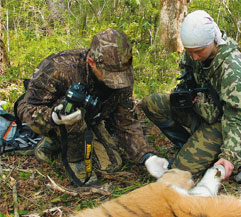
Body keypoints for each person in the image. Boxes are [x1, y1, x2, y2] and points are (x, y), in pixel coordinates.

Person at [16, 28, 168, 185]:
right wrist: (54, 118)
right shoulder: (59, 67)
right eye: (110, 76)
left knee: (111, 165)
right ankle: (67, 151)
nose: (117, 82)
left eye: (121, 76)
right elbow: (25, 107)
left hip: (92, 119)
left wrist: (146, 156)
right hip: (55, 120)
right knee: (72, 108)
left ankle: (64, 140)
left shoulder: (122, 75)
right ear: (91, 62)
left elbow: (126, 121)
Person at [141, 10, 241, 180]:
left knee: (178, 172)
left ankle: (203, 154)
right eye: (189, 52)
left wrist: (229, 155)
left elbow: (240, 117)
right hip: (199, 110)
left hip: (221, 124)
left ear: (212, 41)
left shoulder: (233, 71)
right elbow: (188, 70)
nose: (194, 57)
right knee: (151, 103)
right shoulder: (194, 53)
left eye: (198, 51)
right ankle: (188, 145)